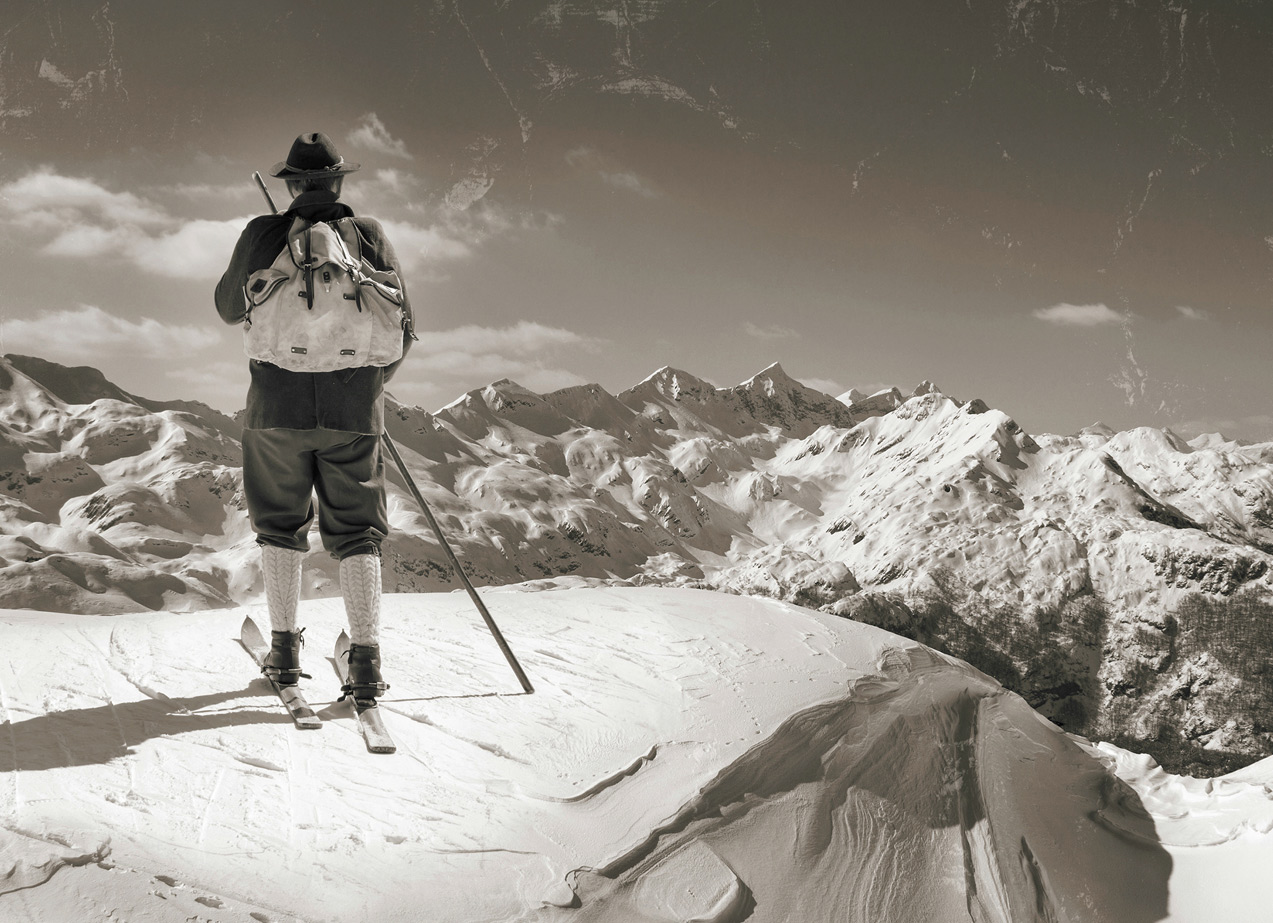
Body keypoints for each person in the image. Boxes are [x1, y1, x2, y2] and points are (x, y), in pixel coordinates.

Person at [215, 131, 414, 701]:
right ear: (339, 182)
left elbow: (230, 309)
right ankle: (367, 662)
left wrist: (266, 254)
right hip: (354, 413)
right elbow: (403, 328)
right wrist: (368, 388)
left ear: (292, 184)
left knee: (280, 525)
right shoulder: (368, 236)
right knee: (357, 533)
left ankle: (282, 651)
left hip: (275, 409)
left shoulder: (262, 234)